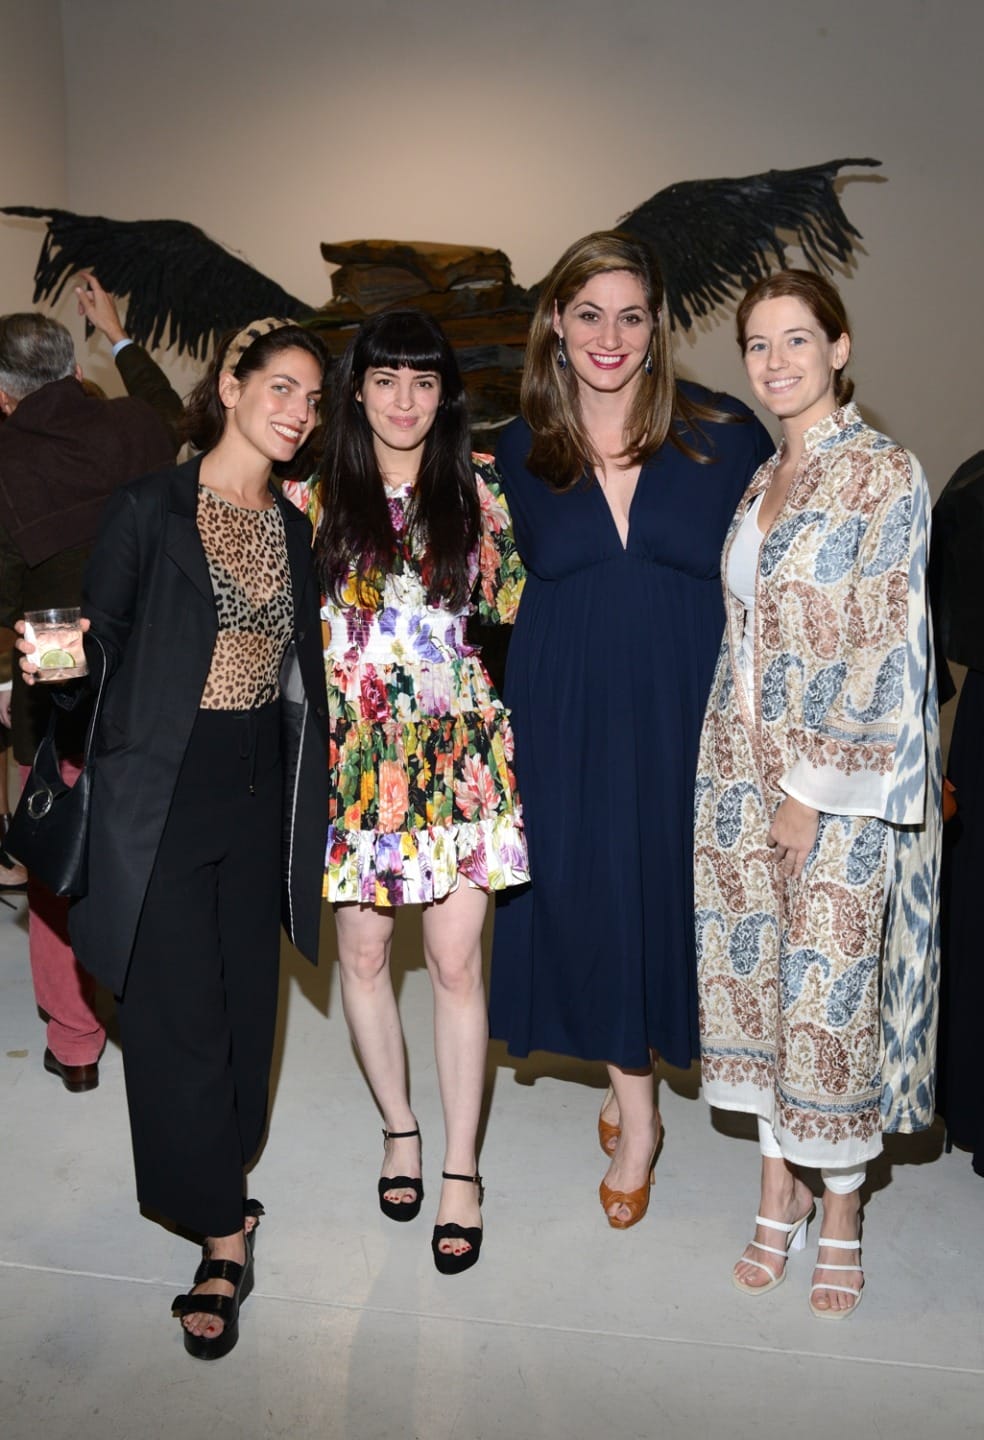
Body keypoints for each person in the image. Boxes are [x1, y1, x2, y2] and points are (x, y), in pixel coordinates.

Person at [19, 317, 330, 1358]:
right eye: (281, 387)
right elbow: (97, 642)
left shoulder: (293, 525)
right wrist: (53, 670)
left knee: (244, 1002)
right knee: (173, 1012)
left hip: (259, 791)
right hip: (162, 786)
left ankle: (227, 1165)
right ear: (231, 387)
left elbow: (302, 679)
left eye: (312, 400)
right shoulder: (153, 505)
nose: (298, 412)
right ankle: (220, 1231)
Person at [487, 231, 773, 1229]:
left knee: (669, 894)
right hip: (562, 705)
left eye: (633, 315)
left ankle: (628, 1082)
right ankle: (641, 1114)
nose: (610, 336)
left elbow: (779, 579)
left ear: (658, 328)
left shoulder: (723, 432)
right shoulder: (518, 446)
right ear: (555, 324)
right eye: (589, 313)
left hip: (689, 701)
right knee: (595, 892)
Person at [694, 270, 941, 1317]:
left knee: (827, 998)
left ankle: (839, 1209)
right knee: (757, 989)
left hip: (835, 785)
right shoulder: (760, 478)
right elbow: (742, 636)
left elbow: (886, 646)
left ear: (840, 348)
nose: (777, 361)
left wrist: (810, 792)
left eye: (798, 340)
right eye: (758, 344)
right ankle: (775, 1185)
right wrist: (733, 782)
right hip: (734, 774)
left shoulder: (886, 474)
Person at [299, 308, 527, 1275]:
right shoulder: (310, 499)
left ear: (446, 394)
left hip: (459, 758)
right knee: (359, 956)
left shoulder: (479, 491)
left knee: (456, 966)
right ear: (356, 388)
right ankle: (400, 1129)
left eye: (424, 382)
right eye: (386, 379)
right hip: (354, 766)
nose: (404, 400)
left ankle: (463, 1168)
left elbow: (509, 608)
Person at [0, 310, 177, 1088]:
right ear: (74, 370)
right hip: (149, 678)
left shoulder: (4, 455)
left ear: (4, 396)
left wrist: (6, 686)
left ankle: (76, 1045)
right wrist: (122, 338)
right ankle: (158, 1024)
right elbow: (169, 405)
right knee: (148, 858)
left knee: (56, 862)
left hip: (54, 685)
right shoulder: (135, 426)